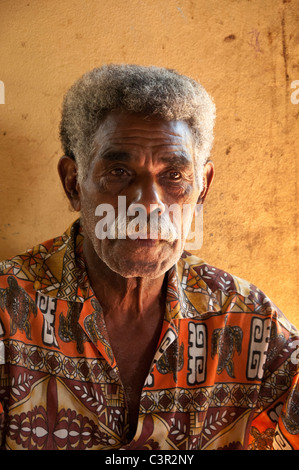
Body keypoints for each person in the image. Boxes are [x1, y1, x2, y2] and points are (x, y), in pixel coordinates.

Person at [0, 64, 298, 451]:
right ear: (73, 183)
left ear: (202, 189)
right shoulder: (8, 310)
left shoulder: (247, 321)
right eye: (119, 171)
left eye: (174, 176)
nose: (148, 204)